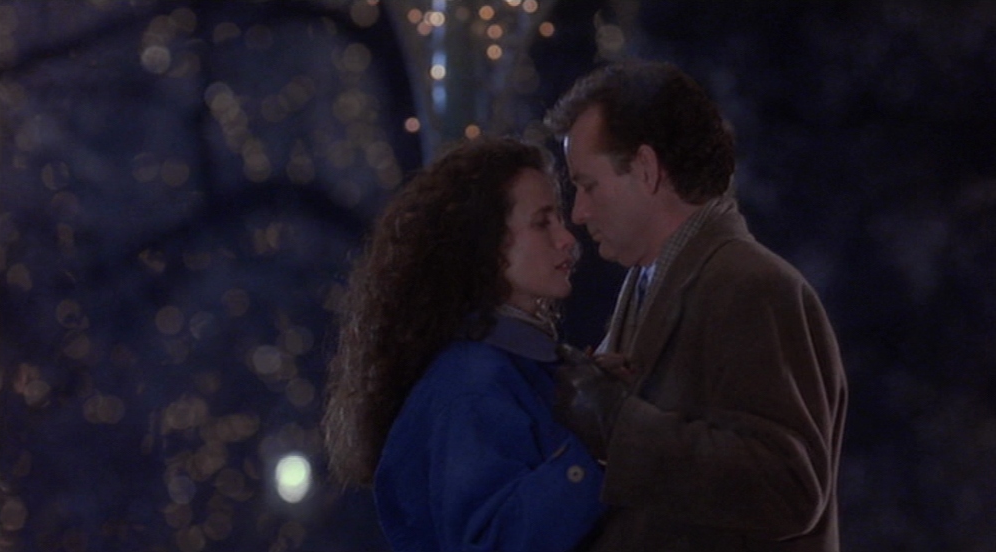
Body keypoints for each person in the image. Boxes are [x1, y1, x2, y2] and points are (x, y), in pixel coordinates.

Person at [544, 59, 848, 551]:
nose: (578, 212)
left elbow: (788, 487)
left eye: (588, 185)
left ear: (646, 169)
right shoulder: (650, 281)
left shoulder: (752, 285)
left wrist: (617, 423)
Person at [322, 136, 606, 551]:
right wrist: (593, 447)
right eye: (542, 222)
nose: (567, 238)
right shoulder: (473, 382)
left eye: (558, 218)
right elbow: (491, 542)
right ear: (487, 244)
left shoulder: (512, 366)